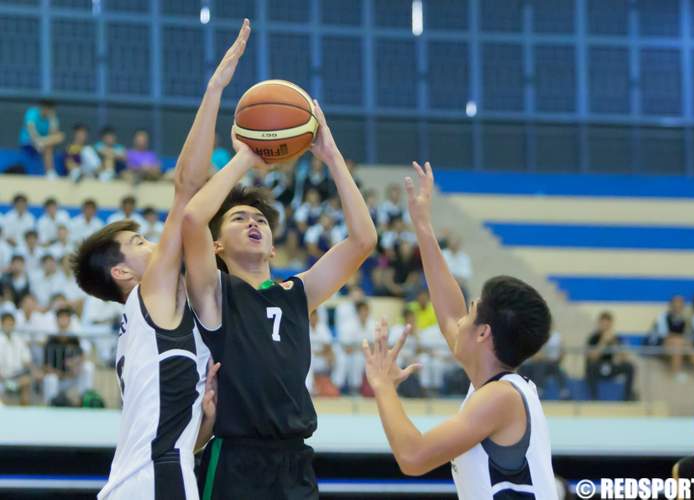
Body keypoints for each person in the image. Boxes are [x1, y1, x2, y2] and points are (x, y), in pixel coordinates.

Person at [71, 19, 252, 500]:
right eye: (141, 243)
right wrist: (218, 95)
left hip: (151, 480)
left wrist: (205, 420)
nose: (156, 245)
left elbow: (180, 439)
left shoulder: (152, 326)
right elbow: (187, 192)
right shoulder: (149, 298)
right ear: (123, 273)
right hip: (154, 484)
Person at [182, 99, 377, 499]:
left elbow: (363, 240)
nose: (254, 223)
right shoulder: (214, 294)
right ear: (216, 245)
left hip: (294, 461)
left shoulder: (297, 293)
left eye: (260, 221)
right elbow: (191, 218)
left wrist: (332, 156)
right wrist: (245, 159)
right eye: (239, 218)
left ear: (273, 248)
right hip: (235, 458)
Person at [362, 161, 557, 498]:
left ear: (483, 334)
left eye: (470, 313)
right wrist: (423, 225)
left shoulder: (499, 398)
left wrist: (383, 386)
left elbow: (413, 457)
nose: (458, 322)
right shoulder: (500, 386)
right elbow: (449, 314)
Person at [585, 311, 636, 401]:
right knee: (590, 367)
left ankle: (627, 397)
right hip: (597, 368)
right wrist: (603, 341)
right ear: (599, 323)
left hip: (611, 367)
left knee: (630, 367)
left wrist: (614, 343)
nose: (605, 327)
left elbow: (624, 358)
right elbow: (592, 358)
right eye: (603, 324)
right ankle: (594, 398)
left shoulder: (616, 338)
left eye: (607, 324)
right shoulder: (593, 338)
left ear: (611, 324)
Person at [18, 100, 65, 178]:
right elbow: (31, 129)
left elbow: (53, 136)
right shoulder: (32, 112)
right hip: (29, 141)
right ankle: (50, 172)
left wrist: (52, 121)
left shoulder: (53, 118)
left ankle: (49, 173)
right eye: (48, 109)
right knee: (48, 147)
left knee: (60, 136)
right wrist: (37, 140)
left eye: (52, 110)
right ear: (43, 108)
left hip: (43, 143)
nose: (49, 112)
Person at [0, 312, 35, 405]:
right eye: (6, 323)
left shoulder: (19, 340)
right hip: (3, 376)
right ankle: (10, 385)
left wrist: (33, 371)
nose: (9, 326)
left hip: (17, 376)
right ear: (1, 324)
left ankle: (24, 414)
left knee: (27, 381)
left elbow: (27, 360)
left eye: (11, 324)